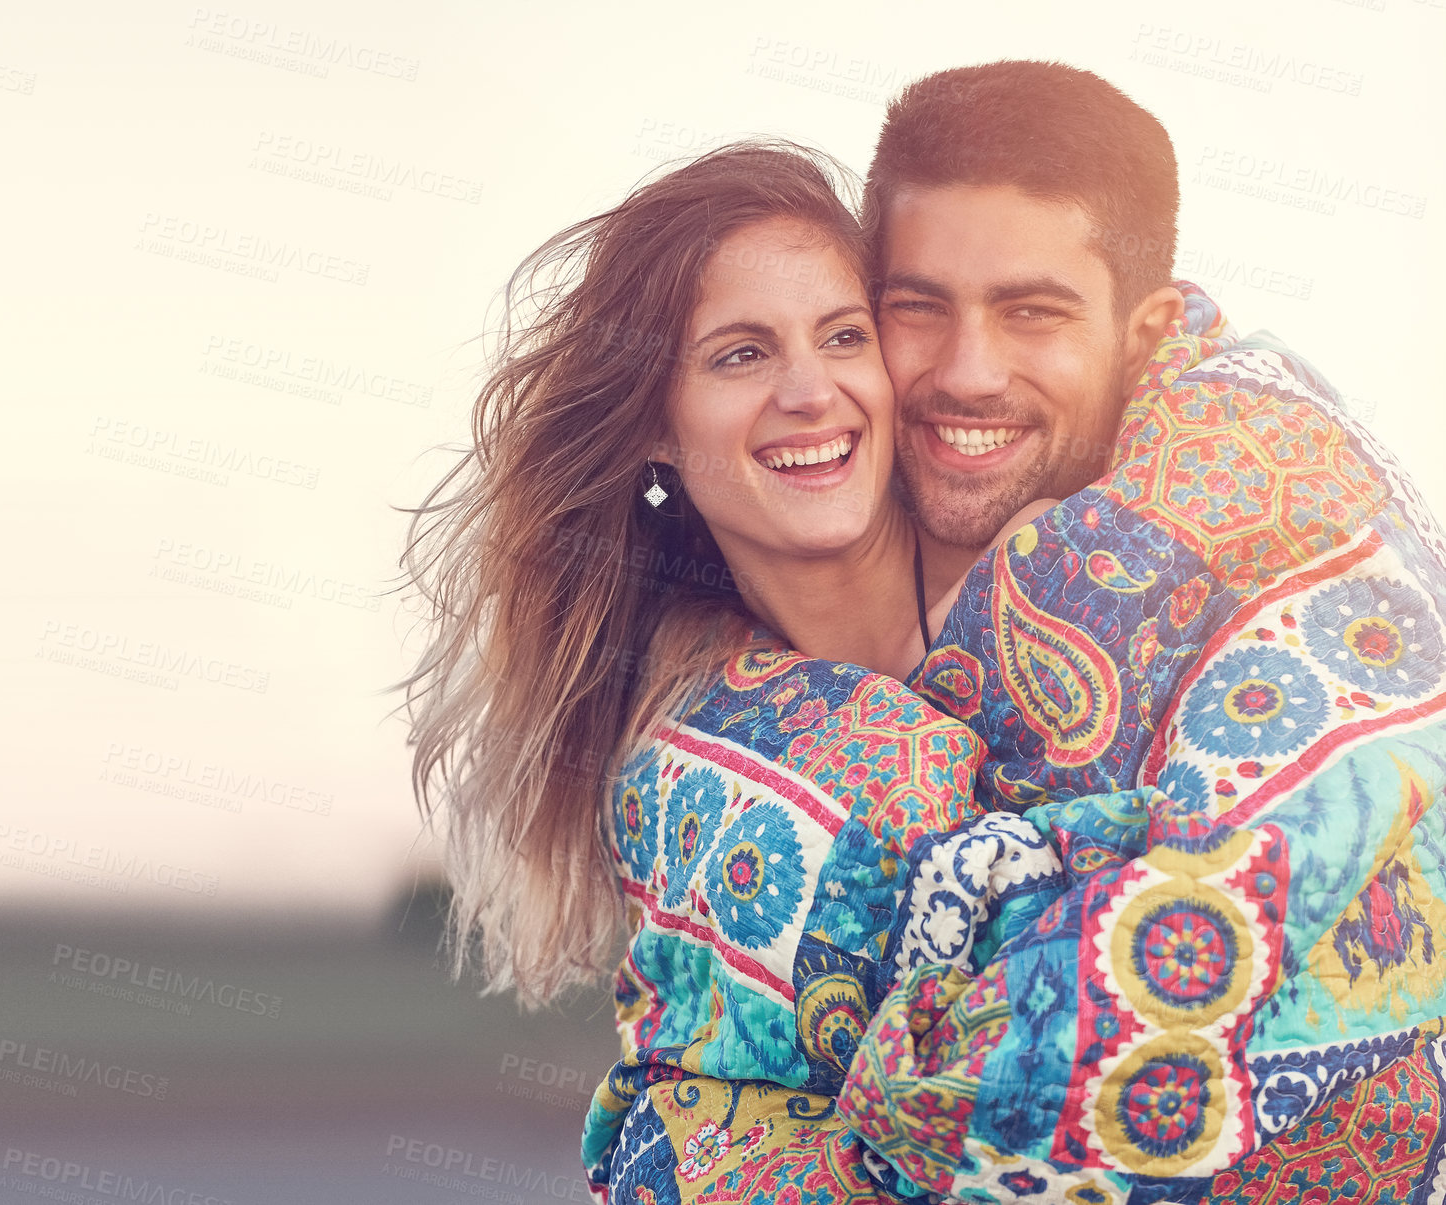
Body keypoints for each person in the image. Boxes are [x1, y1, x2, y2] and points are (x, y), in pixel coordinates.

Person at [830, 60, 1446, 1203]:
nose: (965, 371)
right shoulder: (818, 521)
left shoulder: (1249, 475)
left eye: (1032, 312)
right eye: (919, 306)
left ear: (1146, 325)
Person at [400, 143, 1051, 1203]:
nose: (811, 390)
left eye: (843, 336)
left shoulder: (1057, 574)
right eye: (741, 354)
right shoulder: (699, 761)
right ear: (657, 424)